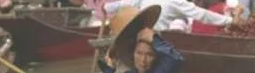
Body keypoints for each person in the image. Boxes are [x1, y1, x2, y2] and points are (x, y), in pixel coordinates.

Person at [102, 0, 244, 33]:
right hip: (159, 39)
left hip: (146, 37)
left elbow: (121, 4)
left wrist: (106, 8)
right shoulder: (175, 1)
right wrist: (230, 20)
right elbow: (202, 15)